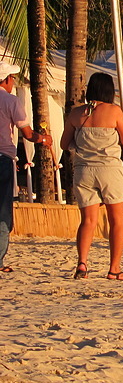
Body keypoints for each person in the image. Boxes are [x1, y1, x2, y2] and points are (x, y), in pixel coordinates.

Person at [61, 72, 123, 280]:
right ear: (109, 91)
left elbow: (64, 144)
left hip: (84, 170)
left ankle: (82, 264)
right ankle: (114, 269)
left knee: (88, 221)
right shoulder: (113, 111)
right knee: (116, 220)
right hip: (109, 169)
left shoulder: (76, 114)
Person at [0, 61, 53, 274]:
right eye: (12, 78)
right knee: (2, 211)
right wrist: (44, 140)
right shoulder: (11, 101)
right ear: (5, 80)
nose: (13, 82)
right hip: (2, 157)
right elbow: (28, 134)